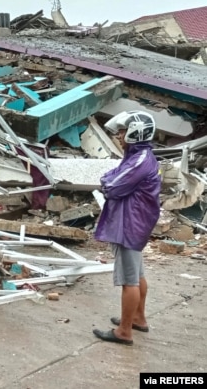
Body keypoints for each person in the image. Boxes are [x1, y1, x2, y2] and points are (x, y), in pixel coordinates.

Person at [92, 110, 161, 346]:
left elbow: (112, 184)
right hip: (137, 222)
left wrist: (107, 183)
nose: (119, 136)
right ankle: (138, 318)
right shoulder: (139, 156)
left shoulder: (139, 160)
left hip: (130, 224)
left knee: (128, 279)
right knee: (138, 274)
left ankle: (124, 331)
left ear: (135, 132)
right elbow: (113, 176)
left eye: (122, 132)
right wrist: (108, 181)